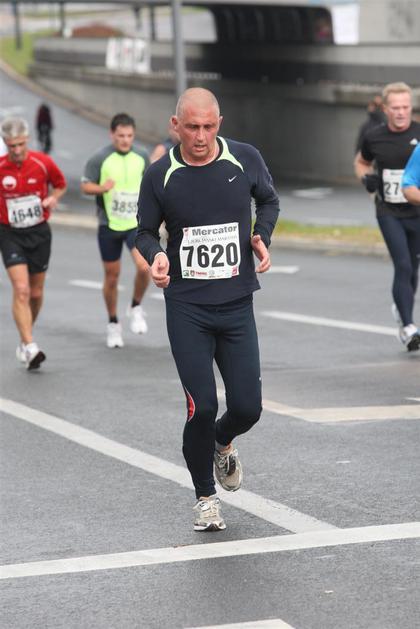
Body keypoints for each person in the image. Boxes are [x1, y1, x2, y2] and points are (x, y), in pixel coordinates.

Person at [136, 88, 280, 531]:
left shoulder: (244, 158)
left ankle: (222, 440)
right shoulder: (160, 174)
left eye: (208, 127)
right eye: (192, 127)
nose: (200, 137)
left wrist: (261, 235)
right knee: (200, 406)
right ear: (175, 125)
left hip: (236, 304)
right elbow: (144, 231)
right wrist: (156, 257)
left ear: (220, 123)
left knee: (248, 408)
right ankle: (205, 497)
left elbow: (269, 200)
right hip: (188, 308)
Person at [354, 82, 420, 351]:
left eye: (405, 107)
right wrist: (366, 179)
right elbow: (361, 162)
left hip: (416, 210)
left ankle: (402, 307)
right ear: (385, 109)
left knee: (413, 267)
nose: (401, 112)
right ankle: (408, 326)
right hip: (388, 210)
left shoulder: (419, 133)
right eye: (395, 107)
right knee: (402, 264)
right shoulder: (374, 136)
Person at [0, 117, 67, 369]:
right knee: (22, 289)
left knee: (36, 293)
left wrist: (53, 198)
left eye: (20, 144)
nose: (17, 150)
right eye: (11, 146)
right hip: (10, 233)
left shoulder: (42, 162)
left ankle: (24, 337)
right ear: (5, 143)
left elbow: (60, 185)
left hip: (38, 232)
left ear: (27, 140)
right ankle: (30, 346)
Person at [81, 113, 150, 348]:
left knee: (144, 267)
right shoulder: (100, 158)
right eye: (121, 135)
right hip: (109, 224)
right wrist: (103, 188)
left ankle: (136, 305)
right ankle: (113, 323)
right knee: (112, 277)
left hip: (134, 224)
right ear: (112, 134)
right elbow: (85, 186)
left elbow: (151, 184)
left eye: (129, 135)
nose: (125, 140)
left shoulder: (141, 156)